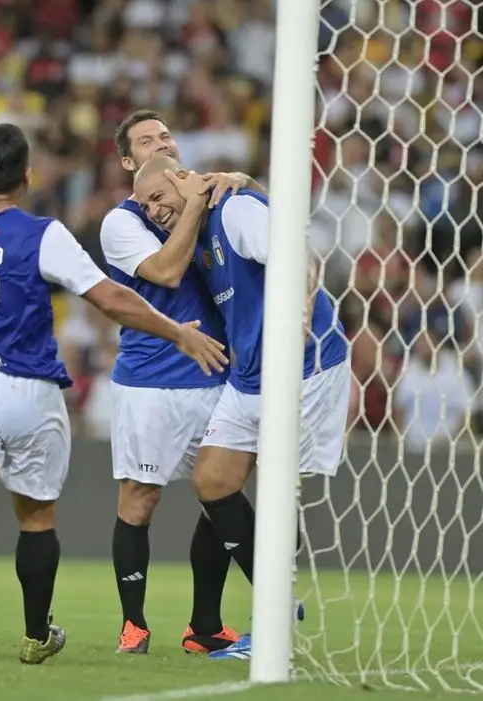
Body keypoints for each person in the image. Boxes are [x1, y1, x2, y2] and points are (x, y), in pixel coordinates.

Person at [0, 123, 229, 665]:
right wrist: (178, 332)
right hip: (29, 383)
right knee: (36, 519)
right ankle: (36, 635)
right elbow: (109, 299)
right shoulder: (43, 234)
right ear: (28, 175)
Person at [131, 155, 350, 660]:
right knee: (213, 481)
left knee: (275, 495)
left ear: (182, 178)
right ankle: (279, 603)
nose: (154, 211)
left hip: (304, 370)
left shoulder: (234, 210)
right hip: (249, 376)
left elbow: (298, 254)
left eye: (158, 197)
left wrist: (300, 312)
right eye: (145, 206)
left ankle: (271, 626)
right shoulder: (194, 233)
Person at [102, 109, 264, 655]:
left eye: (165, 136)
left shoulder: (211, 196)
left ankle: (206, 626)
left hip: (218, 375)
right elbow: (168, 271)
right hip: (151, 382)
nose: (158, 144)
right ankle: (133, 625)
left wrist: (242, 184)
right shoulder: (122, 222)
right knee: (140, 499)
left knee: (220, 495)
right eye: (145, 141)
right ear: (128, 161)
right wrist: (196, 201)